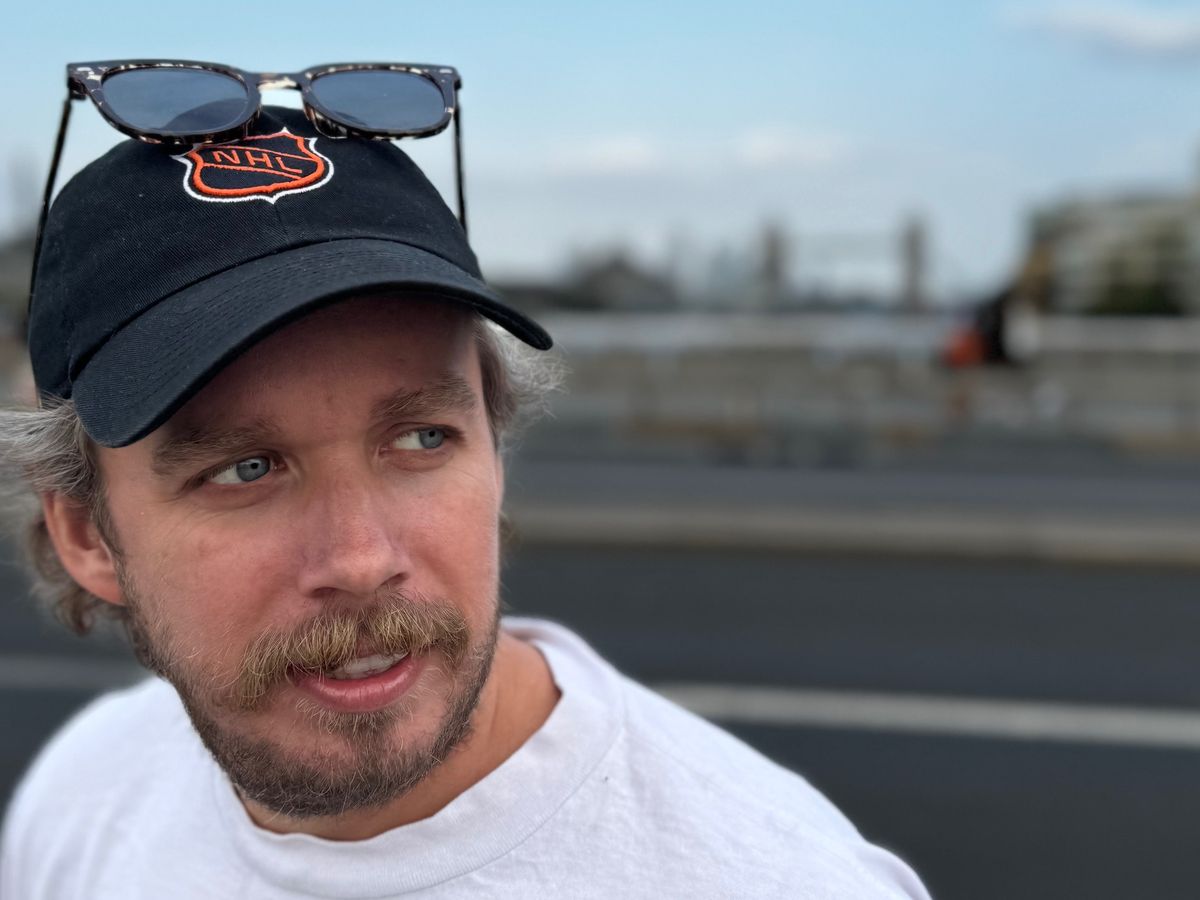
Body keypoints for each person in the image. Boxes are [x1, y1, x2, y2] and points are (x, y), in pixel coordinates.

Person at [0, 99, 930, 898]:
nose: (362, 559)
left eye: (421, 439)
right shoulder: (84, 796)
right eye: (246, 469)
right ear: (87, 535)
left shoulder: (779, 879)